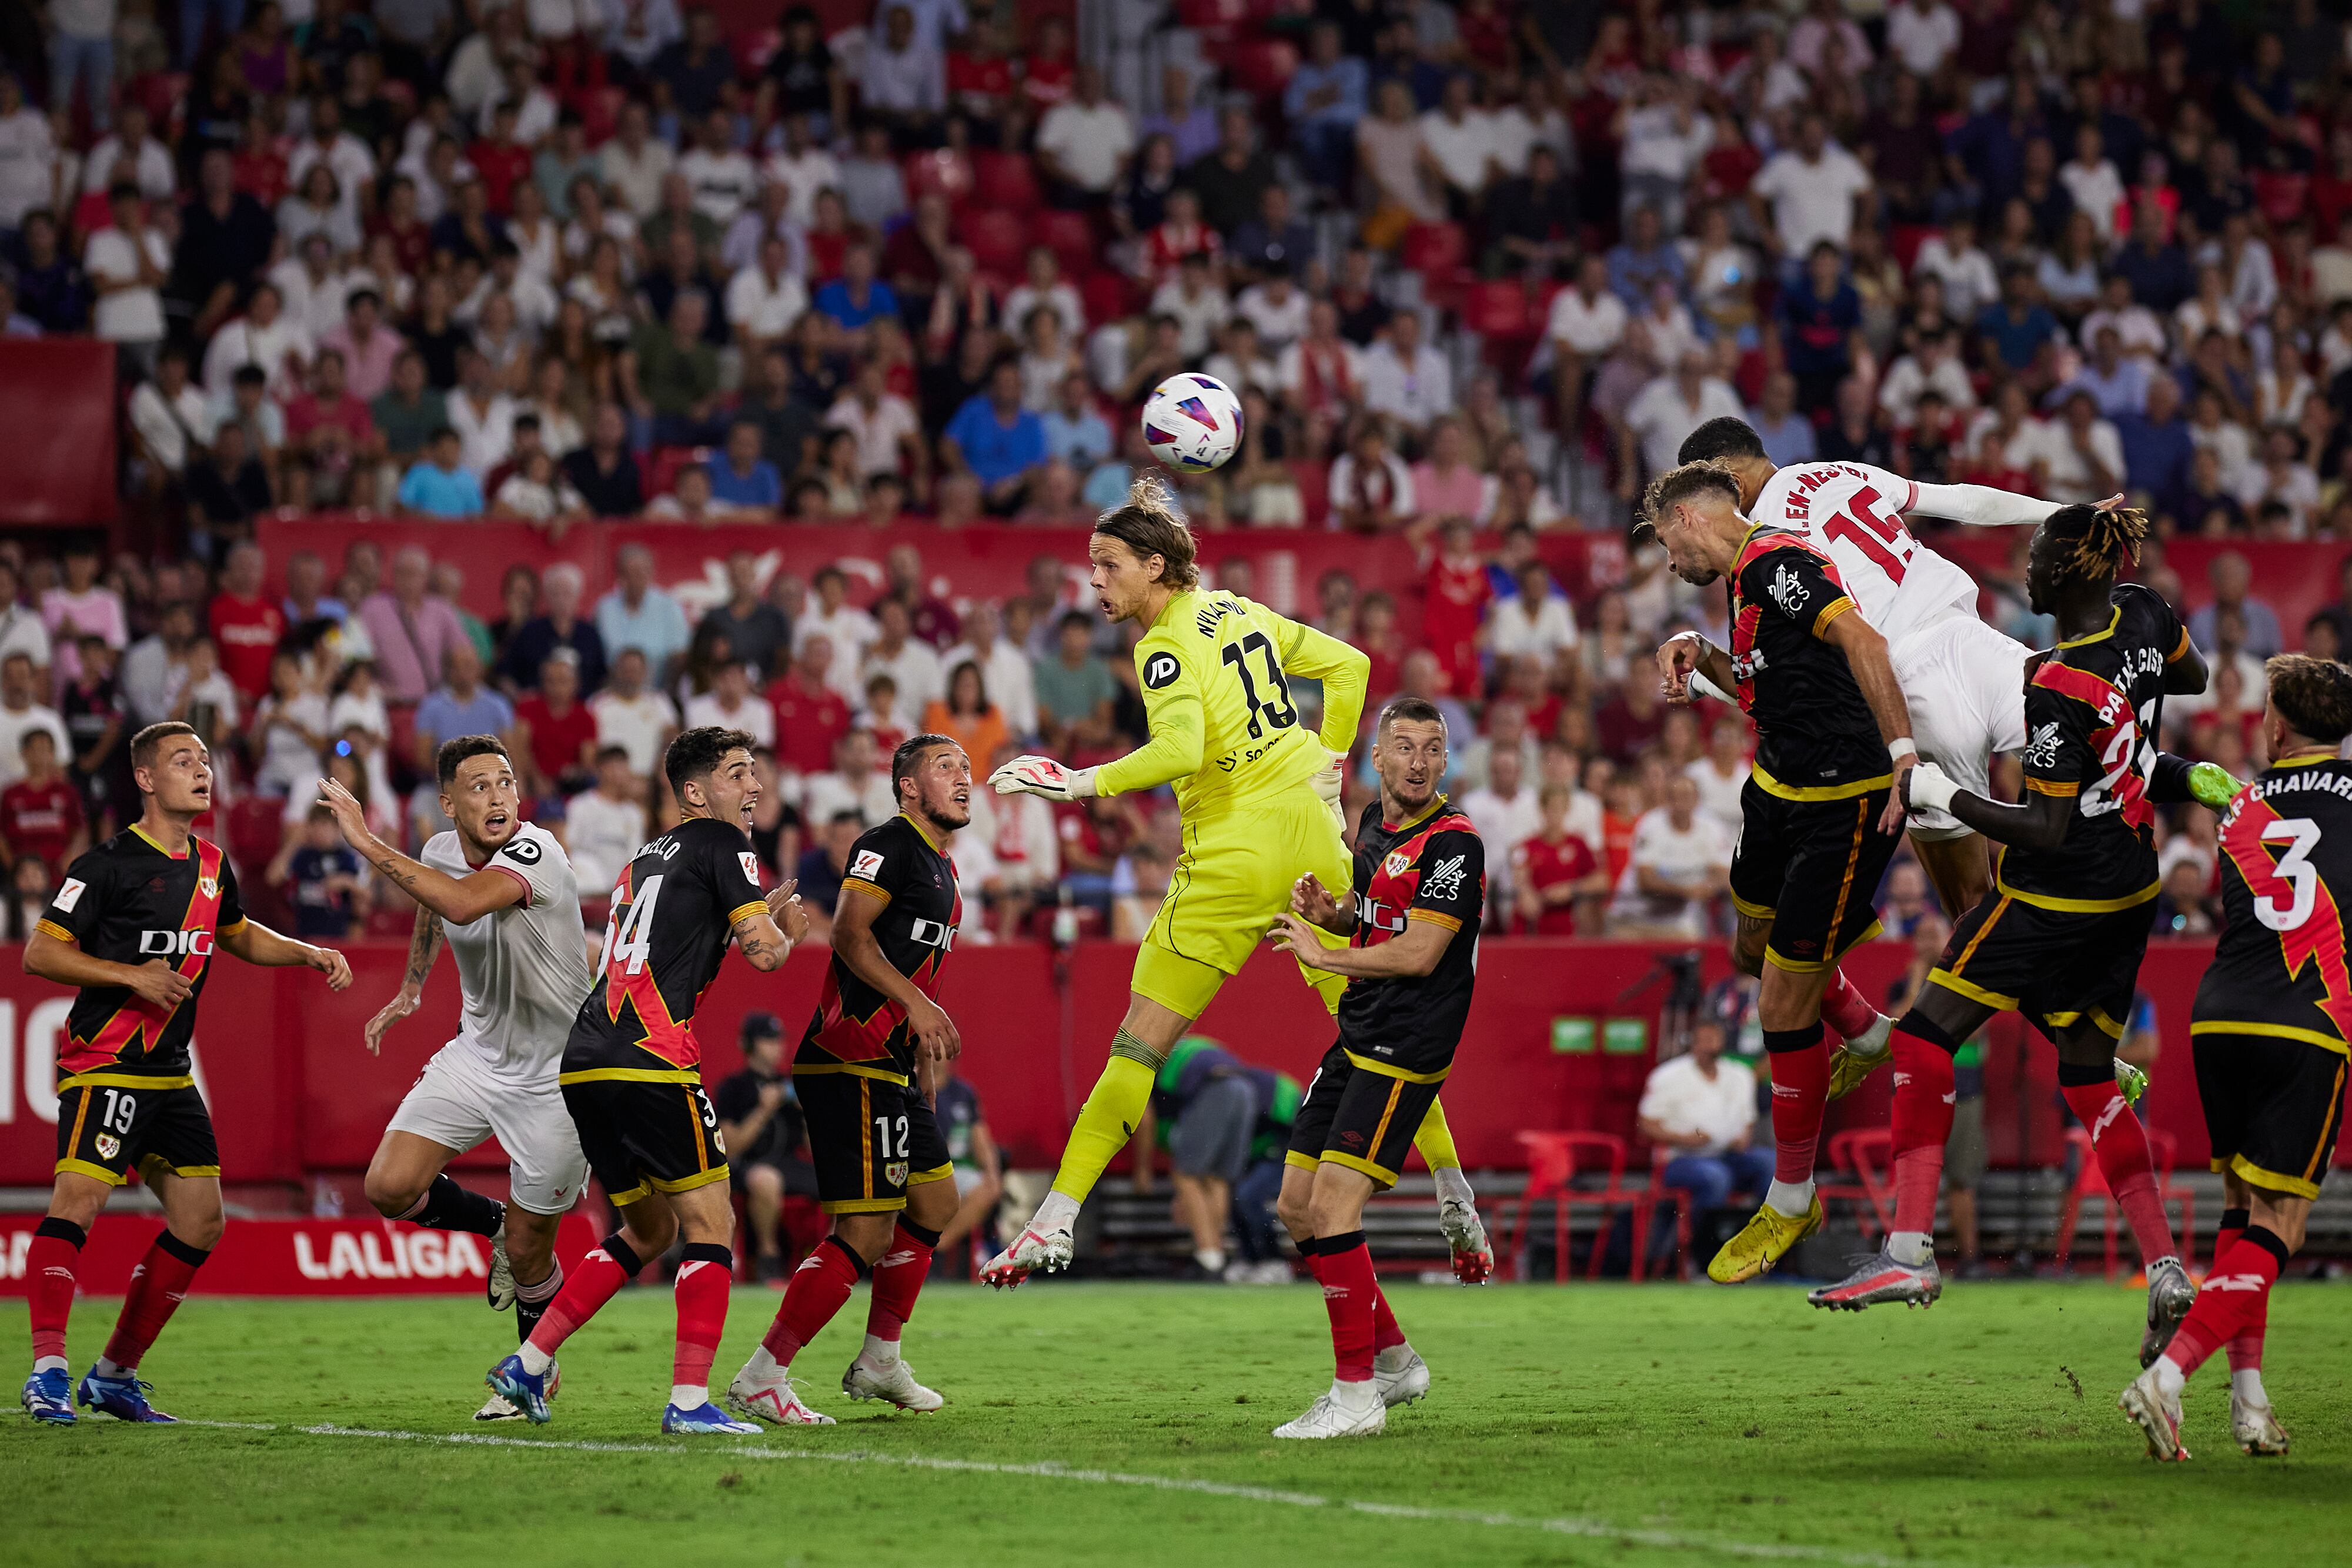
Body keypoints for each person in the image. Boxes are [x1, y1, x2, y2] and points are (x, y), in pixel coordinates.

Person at [981, 478, 1489, 1289]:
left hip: (1234, 846)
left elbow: (1180, 750)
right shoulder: (1237, 608)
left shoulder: (1162, 644)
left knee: (1138, 1045)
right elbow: (1350, 663)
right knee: (1377, 1042)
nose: (1096, 582)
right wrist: (1331, 759)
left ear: (1155, 567)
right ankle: (1456, 1196)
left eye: (1110, 566)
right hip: (1316, 837)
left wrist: (1079, 782)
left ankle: (1054, 1220)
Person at [1815, 506, 2211, 1350]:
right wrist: (2170, 766)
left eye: (2036, 557)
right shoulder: (2144, 610)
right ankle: (2167, 1266)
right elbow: (2194, 680)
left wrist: (1940, 796)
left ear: (2069, 572)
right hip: (2131, 886)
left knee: (1924, 1039)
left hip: (2054, 894)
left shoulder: (2056, 683)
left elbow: (2044, 829)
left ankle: (1909, 1250)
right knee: (2089, 1076)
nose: (2023, 569)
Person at [1669, 416, 2088, 1079]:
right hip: (1971, 639)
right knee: (2101, 742)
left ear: (1727, 483)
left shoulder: (1762, 549)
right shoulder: (1838, 473)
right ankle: (2228, 797)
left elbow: (1783, 688)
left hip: (1910, 694)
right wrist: (2064, 512)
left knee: (1973, 913)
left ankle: (2069, 1046)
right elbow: (1962, 500)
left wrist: (1700, 677)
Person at [18, 722, 353, 1426]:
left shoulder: (211, 863)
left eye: (204, 760)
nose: (201, 771)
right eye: (182, 761)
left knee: (201, 1223)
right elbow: (40, 955)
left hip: (169, 1073)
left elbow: (235, 933)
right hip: (106, 1062)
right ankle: (48, 1369)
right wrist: (128, 976)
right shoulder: (102, 866)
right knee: (76, 1204)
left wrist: (306, 952)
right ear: (144, 778)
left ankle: (113, 1375)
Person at [486, 727, 808, 1435]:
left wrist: (739, 924)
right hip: (650, 1057)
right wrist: (784, 932)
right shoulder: (725, 845)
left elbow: (676, 940)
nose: (753, 786)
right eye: (736, 773)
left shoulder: (643, 859)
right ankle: (689, 1404)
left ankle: (527, 1365)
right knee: (710, 1224)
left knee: (649, 1226)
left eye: (755, 771)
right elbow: (764, 956)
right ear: (695, 793)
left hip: (587, 1056)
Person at [1645, 460, 1919, 1285]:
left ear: (1692, 519)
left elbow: (1864, 641)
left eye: (1665, 544)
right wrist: (1704, 657)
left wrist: (1905, 754)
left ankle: (1793, 1197)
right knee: (1749, 950)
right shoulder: (1739, 582)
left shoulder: (1780, 564)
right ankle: (1868, 1032)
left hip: (1842, 804)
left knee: (1778, 999)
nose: (1667, 564)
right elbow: (1767, 687)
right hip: (1777, 788)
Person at [317, 735, 594, 1419]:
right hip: (477, 1054)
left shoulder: (540, 853)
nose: (498, 796)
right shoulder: (440, 852)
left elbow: (466, 904)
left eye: (505, 782)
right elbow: (433, 905)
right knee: (388, 1186)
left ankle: (528, 1375)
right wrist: (413, 987)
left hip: (557, 1075)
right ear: (448, 803)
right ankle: (492, 1222)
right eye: (479, 787)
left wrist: (366, 841)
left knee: (533, 1256)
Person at [2121, 656, 2352, 1461]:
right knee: (2283, 1221)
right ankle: (2171, 1377)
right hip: (2307, 1019)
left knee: (2243, 1206)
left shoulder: (2242, 799)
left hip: (2219, 1012)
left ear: (2278, 727)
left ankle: (2250, 1403)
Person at [729, 735, 973, 1425]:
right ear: (907, 788)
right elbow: (848, 935)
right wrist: (920, 1007)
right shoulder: (887, 843)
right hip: (846, 1057)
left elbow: (910, 961)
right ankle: (762, 1375)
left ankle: (879, 1360)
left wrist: (920, 1046)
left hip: (890, 1062)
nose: (964, 778)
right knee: (864, 1231)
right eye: (945, 767)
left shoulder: (944, 870)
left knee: (935, 1204)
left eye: (967, 767)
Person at [1263, 697, 1484, 1438]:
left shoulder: (1455, 845)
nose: (1419, 761)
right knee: (1296, 1204)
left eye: (1432, 748)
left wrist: (1326, 954)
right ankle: (1390, 1358)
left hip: (1409, 1047)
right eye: (1404, 747)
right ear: (1378, 758)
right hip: (1359, 1034)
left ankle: (1355, 1397)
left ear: (1445, 761)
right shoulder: (1372, 824)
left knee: (1334, 1209)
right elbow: (1379, 910)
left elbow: (1421, 952)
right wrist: (1335, 912)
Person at [1637, 989, 1770, 1263]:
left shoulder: (1739, 1076)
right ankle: (1700, 1254)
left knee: (1771, 1166)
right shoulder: (1669, 1076)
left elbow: (1746, 1123)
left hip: (1729, 1156)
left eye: (1715, 1038)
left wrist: (1741, 1138)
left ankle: (1761, 1250)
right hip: (1682, 1159)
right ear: (1693, 1043)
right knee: (1714, 1177)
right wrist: (1682, 1138)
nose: (1710, 1045)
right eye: (1704, 1039)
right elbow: (1646, 1124)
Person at [713, 1012, 814, 1283]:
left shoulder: (794, 1085)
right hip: (749, 1165)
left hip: (790, 1162)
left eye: (779, 1040)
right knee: (766, 1179)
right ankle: (769, 1254)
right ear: (749, 1044)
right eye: (768, 1040)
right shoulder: (733, 1087)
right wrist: (763, 1109)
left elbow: (813, 1149)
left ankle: (828, 1258)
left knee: (842, 1179)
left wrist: (810, 1114)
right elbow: (730, 1147)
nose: (777, 1046)